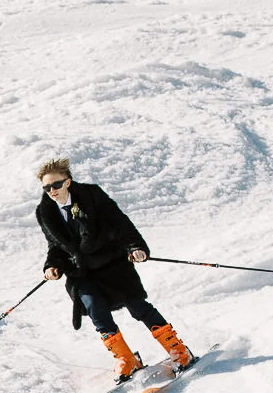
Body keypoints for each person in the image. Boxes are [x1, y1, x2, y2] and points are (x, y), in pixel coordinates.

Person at [36, 159, 194, 380]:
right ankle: (127, 359)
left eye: (56, 185)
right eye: (46, 187)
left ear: (68, 182)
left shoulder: (92, 196)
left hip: (111, 264)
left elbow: (120, 223)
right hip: (82, 272)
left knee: (138, 306)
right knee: (96, 311)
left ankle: (179, 350)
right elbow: (55, 245)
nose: (51, 191)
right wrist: (52, 266)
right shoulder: (45, 212)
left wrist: (136, 247)